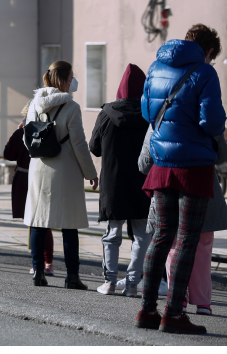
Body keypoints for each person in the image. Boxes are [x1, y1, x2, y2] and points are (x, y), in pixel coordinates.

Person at [135, 24, 225, 335]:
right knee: (187, 239)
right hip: (194, 165)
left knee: (161, 236)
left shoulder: (156, 66)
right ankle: (173, 314)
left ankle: (147, 310)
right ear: (209, 51)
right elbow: (212, 122)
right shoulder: (205, 73)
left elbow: (148, 112)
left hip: (162, 163)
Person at [23, 60, 98, 289]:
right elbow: (79, 143)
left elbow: (27, 136)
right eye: (71, 77)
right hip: (65, 170)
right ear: (64, 80)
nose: (73, 81)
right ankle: (72, 276)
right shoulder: (71, 107)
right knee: (69, 224)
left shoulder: (35, 103)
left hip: (39, 167)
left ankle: (38, 272)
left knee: (38, 221)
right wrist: (90, 172)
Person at [139, 126, 227, 317]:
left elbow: (144, 163)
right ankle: (203, 302)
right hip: (202, 183)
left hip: (166, 181)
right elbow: (221, 155)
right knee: (202, 246)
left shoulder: (158, 113)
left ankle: (178, 298)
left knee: (171, 244)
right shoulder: (205, 111)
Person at [89, 64, 152, 297]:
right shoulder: (149, 114)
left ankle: (110, 282)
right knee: (142, 236)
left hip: (113, 183)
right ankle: (133, 284)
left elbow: (94, 148)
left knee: (112, 234)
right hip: (142, 182)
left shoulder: (106, 114)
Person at [4, 126, 56, 275]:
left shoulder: (21, 132)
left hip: (23, 178)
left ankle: (39, 263)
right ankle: (47, 262)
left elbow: (8, 154)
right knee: (43, 222)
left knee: (34, 223)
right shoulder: (50, 131)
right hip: (45, 177)